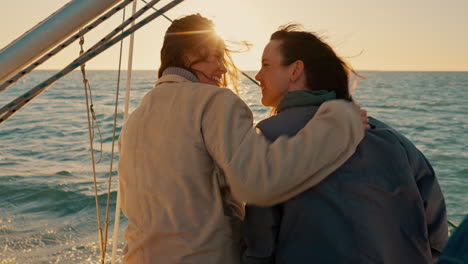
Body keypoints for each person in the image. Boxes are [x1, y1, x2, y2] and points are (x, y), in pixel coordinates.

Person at [118, 14, 366, 264]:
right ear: (186, 56)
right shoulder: (213, 101)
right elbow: (260, 180)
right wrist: (341, 121)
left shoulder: (135, 119)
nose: (223, 67)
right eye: (214, 56)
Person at [242, 24, 448, 264]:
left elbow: (260, 246)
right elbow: (437, 236)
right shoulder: (392, 138)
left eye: (266, 65)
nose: (257, 76)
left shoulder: (268, 137)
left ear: (295, 70)